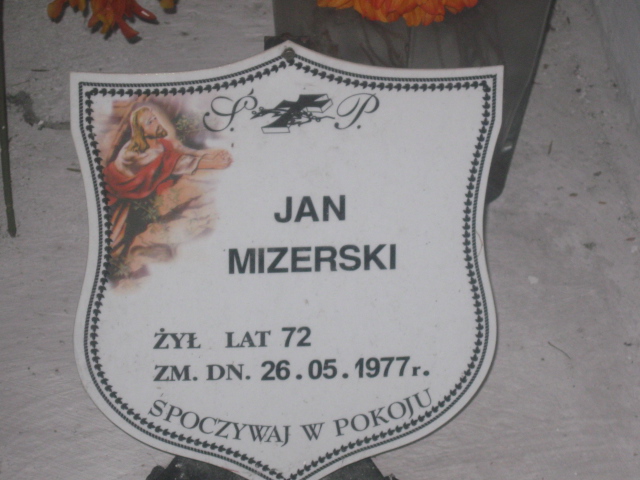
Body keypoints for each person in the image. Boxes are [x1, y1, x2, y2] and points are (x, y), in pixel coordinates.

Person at [103, 106, 232, 277]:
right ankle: (124, 266)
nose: (156, 123)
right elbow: (173, 163)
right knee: (115, 236)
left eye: (154, 118)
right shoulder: (134, 154)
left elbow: (181, 151)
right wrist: (210, 163)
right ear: (141, 130)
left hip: (139, 194)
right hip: (116, 192)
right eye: (149, 122)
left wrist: (209, 156)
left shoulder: (160, 144)